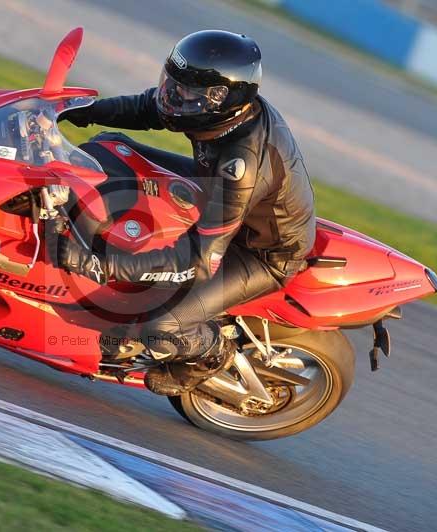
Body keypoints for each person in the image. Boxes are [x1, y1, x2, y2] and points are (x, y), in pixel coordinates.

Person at [54, 30, 316, 396]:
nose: (174, 96)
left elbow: (199, 258)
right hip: (219, 197)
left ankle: (210, 354)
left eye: (187, 92)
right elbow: (147, 108)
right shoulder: (218, 112)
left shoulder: (240, 164)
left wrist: (102, 264)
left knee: (161, 326)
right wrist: (72, 111)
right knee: (108, 149)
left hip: (259, 252)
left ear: (220, 99)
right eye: (173, 84)